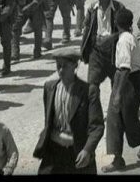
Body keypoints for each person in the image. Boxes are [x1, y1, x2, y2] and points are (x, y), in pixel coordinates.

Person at [35, 45, 104, 174]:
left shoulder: (88, 91)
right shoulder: (49, 88)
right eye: (58, 66)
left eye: (65, 66)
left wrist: (87, 150)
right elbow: (48, 121)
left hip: (78, 151)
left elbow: (97, 126)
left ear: (75, 66)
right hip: (54, 152)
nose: (61, 70)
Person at [103, 8, 140, 172]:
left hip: (129, 82)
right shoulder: (126, 37)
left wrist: (118, 94)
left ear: (116, 23)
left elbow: (125, 68)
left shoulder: (125, 40)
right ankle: (119, 157)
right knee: (119, 119)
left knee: (122, 119)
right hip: (127, 80)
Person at [81, 0, 125, 97]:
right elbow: (86, 28)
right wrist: (83, 50)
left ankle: (114, 113)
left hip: (114, 52)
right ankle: (95, 115)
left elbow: (125, 30)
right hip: (96, 51)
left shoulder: (118, 7)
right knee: (92, 86)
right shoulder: (92, 8)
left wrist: (112, 38)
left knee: (116, 85)